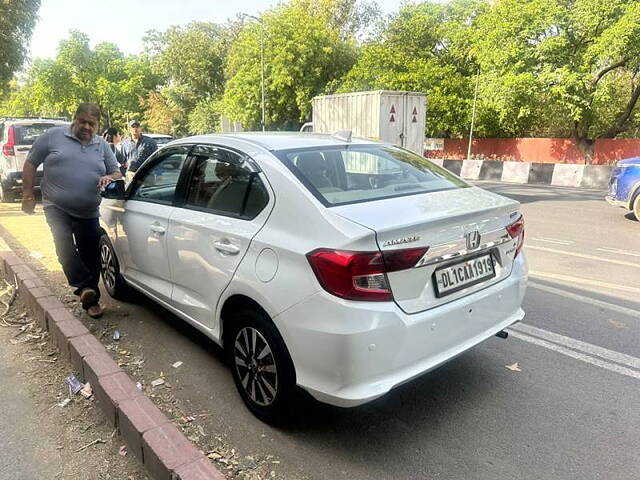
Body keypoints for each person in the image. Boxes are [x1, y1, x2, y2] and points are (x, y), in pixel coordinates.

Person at [21, 103, 123, 318]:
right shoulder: (52, 136)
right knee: (64, 244)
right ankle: (84, 288)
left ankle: (90, 297)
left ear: (97, 126)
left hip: (88, 209)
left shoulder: (102, 145)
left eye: (91, 124)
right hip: (56, 206)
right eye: (82, 121)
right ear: (74, 119)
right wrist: (28, 194)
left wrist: (109, 177)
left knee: (90, 254)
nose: (86, 127)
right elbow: (30, 163)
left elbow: (117, 173)